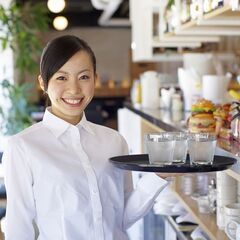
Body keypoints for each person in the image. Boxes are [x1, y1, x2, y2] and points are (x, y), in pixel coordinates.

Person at [3, 35, 175, 240]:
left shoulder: (114, 141)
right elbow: (18, 229)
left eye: (84, 77)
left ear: (95, 78)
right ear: (43, 82)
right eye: (61, 77)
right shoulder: (23, 146)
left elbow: (122, 218)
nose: (74, 89)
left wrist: (160, 175)